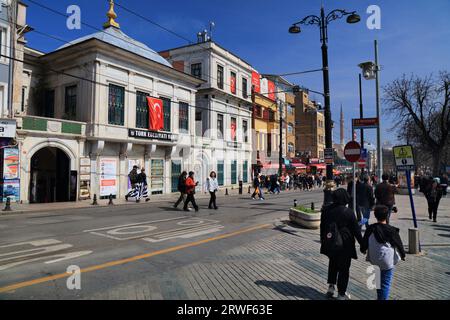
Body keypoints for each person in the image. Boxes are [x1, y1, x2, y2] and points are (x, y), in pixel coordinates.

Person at [320, 188, 363, 300]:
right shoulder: (348, 212)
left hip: (331, 242)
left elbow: (322, 227)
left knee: (333, 264)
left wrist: (323, 240)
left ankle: (331, 287)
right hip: (345, 243)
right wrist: (363, 245)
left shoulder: (326, 210)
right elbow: (356, 231)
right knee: (344, 269)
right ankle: (341, 294)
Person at [360, 205, 406, 300]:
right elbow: (399, 244)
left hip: (374, 259)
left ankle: (380, 297)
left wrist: (363, 250)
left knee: (378, 281)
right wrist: (403, 255)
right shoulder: (391, 230)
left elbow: (364, 243)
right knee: (385, 283)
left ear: (376, 216)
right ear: (387, 216)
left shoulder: (370, 228)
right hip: (387, 261)